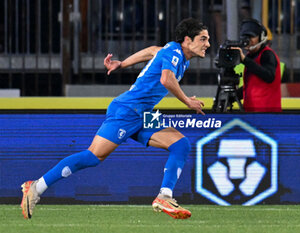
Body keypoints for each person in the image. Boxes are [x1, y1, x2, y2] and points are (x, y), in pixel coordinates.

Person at [20, 18, 210, 220]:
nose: (207, 44)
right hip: (127, 110)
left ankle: (164, 196)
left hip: (144, 113)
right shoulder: (174, 52)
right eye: (203, 39)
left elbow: (152, 50)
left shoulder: (176, 54)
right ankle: (36, 187)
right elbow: (166, 79)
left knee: (181, 144)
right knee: (93, 157)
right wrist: (187, 101)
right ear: (188, 40)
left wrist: (123, 63)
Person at [233, 18, 281, 112]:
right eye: (245, 36)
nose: (248, 40)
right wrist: (233, 95)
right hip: (252, 112)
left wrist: (245, 60)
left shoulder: (267, 54)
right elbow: (252, 86)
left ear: (261, 38)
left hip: (267, 114)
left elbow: (269, 76)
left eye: (252, 36)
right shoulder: (250, 56)